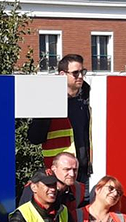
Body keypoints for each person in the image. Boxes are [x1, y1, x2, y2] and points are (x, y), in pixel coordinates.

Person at [27, 54, 92, 191]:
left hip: (85, 174)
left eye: (83, 72)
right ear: (63, 74)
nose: (80, 76)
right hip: (58, 176)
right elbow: (34, 137)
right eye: (75, 73)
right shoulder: (49, 100)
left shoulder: (90, 97)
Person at [18, 152, 83, 219]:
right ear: (54, 169)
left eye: (75, 170)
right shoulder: (36, 188)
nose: (72, 174)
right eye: (67, 169)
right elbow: (24, 218)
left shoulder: (79, 189)